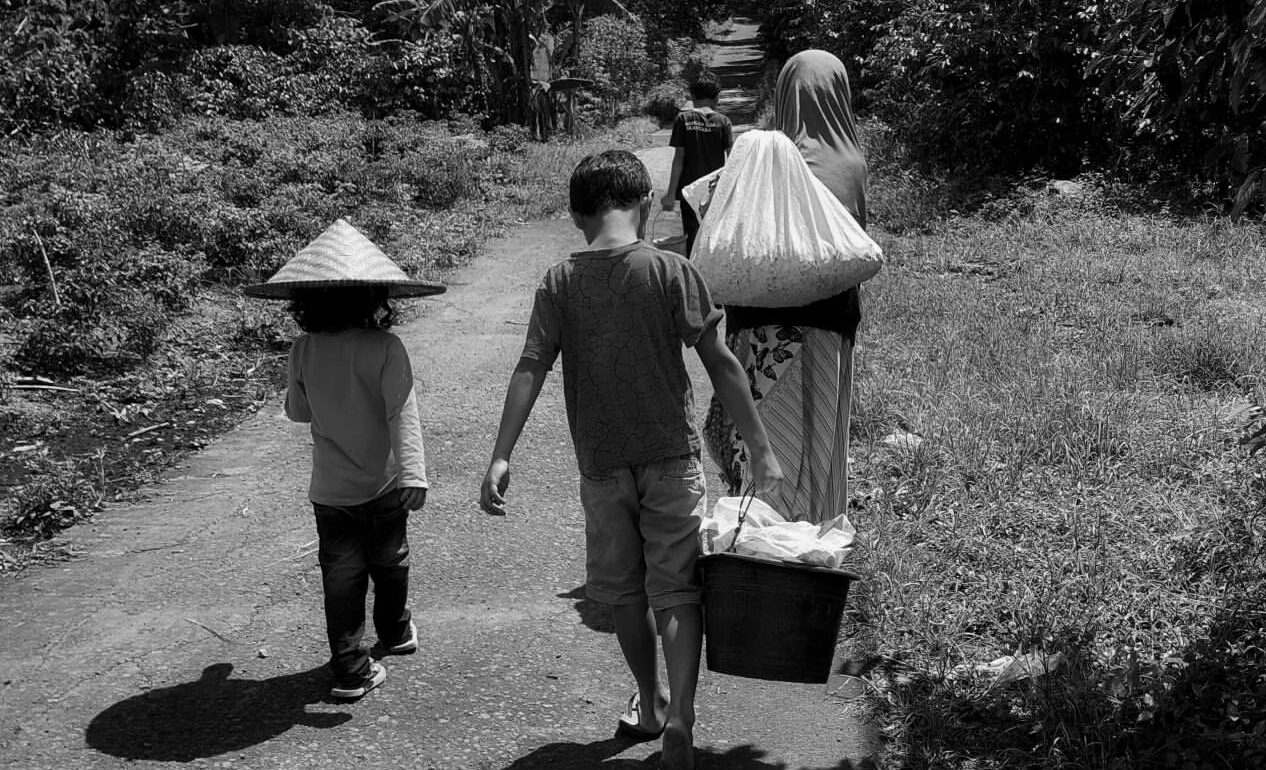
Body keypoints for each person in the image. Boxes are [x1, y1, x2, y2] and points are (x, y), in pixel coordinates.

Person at [479, 150, 781, 770]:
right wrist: (759, 446)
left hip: (601, 464)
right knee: (676, 590)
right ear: (646, 204)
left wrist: (501, 455)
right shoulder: (671, 270)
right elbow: (720, 362)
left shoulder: (559, 281)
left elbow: (531, 366)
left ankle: (651, 702)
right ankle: (682, 720)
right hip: (670, 457)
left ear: (575, 216)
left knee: (623, 592)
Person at [243, 219, 446, 700]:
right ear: (375, 298)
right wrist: (414, 474)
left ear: (304, 302)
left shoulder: (303, 349)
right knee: (391, 561)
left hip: (331, 492)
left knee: (341, 577)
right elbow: (402, 413)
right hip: (386, 485)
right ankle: (395, 631)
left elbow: (298, 412)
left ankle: (351, 669)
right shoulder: (386, 347)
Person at [704, 49, 869, 525]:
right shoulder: (851, 164)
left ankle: (754, 530)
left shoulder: (763, 159)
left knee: (761, 433)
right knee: (818, 433)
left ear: (784, 95)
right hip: (827, 325)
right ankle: (816, 528)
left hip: (759, 329)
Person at [661, 69, 734, 257]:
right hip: (714, 191)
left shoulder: (683, 120)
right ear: (717, 97)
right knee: (713, 233)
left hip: (688, 191)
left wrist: (671, 194)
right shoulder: (723, 122)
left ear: (692, 97)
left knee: (692, 234)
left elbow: (678, 159)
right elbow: (733, 160)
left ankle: (693, 266)